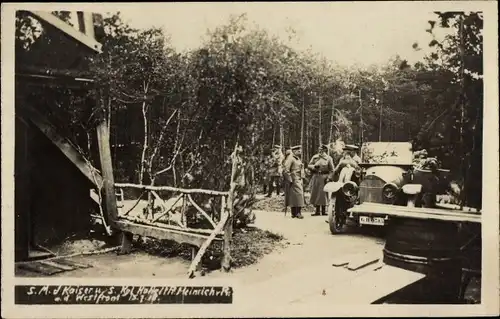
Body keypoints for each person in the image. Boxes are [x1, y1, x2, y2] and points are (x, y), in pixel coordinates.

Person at [308, 144, 335, 216]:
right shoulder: (315, 157)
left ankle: (323, 211)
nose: (320, 151)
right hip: (316, 176)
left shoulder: (329, 158)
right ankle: (317, 211)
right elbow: (309, 165)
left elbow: (332, 170)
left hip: (324, 177)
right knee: (316, 193)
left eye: (322, 150)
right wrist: (313, 167)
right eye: (319, 150)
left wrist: (329, 178)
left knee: (323, 194)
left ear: (325, 150)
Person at [283, 145, 305, 219]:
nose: (300, 152)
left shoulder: (297, 158)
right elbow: (286, 169)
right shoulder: (291, 158)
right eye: (299, 151)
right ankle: (297, 213)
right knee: (299, 195)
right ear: (294, 151)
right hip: (294, 179)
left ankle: (294, 213)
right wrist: (290, 179)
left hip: (298, 178)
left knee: (295, 196)